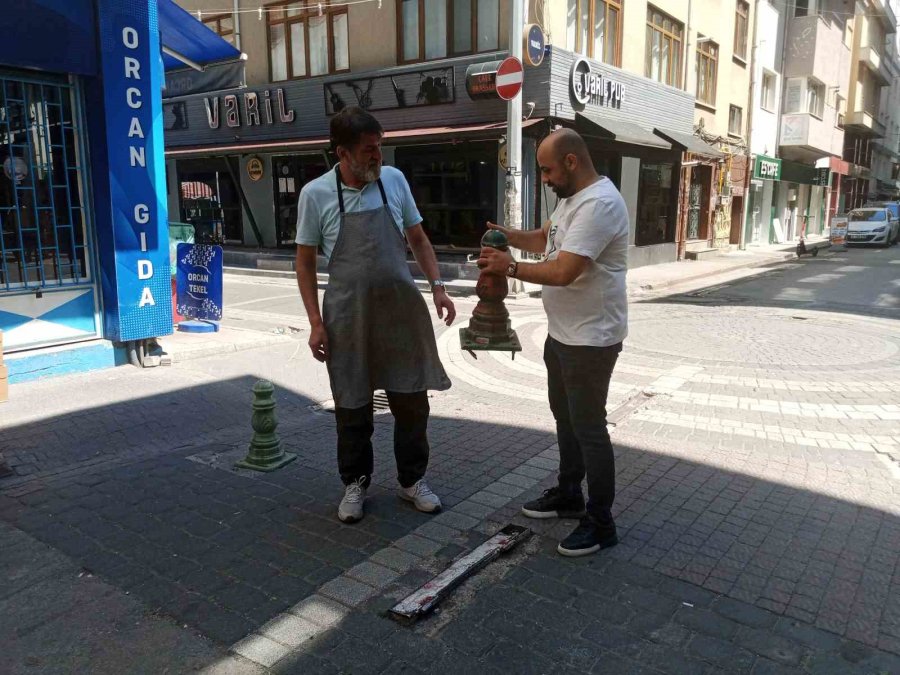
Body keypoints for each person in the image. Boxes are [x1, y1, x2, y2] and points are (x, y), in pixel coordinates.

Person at [295, 106, 456, 524]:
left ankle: (411, 481)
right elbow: (305, 263)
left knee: (411, 402)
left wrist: (438, 287)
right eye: (368, 150)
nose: (376, 157)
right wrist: (315, 322)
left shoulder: (394, 181)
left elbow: (418, 239)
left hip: (400, 312)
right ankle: (355, 484)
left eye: (379, 148)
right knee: (353, 406)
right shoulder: (316, 194)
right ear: (342, 152)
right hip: (348, 316)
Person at [477, 128, 628, 557]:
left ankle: (601, 523)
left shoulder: (600, 204)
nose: (543, 178)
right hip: (563, 334)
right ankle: (569, 493)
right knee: (565, 419)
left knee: (590, 429)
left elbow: (564, 270)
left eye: (546, 169)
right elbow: (547, 240)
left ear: (571, 162)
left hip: (591, 340)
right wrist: (508, 236)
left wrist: (511, 269)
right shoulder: (571, 199)